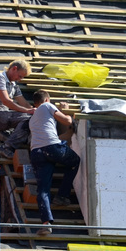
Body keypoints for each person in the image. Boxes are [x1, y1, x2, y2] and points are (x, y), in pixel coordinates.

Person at [28, 90, 80, 237]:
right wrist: (65, 110)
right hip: (52, 148)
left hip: (36, 153)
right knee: (75, 161)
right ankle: (62, 195)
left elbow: (49, 134)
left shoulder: (33, 119)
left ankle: (46, 224)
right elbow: (68, 121)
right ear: (46, 99)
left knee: (43, 189)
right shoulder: (46, 106)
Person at [0, 59, 34, 158]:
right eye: (19, 76)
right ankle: (7, 146)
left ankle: (5, 135)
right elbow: (6, 101)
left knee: (31, 118)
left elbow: (23, 102)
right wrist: (28, 111)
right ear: (14, 68)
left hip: (3, 116)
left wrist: (36, 111)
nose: (19, 79)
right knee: (27, 118)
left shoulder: (14, 84)